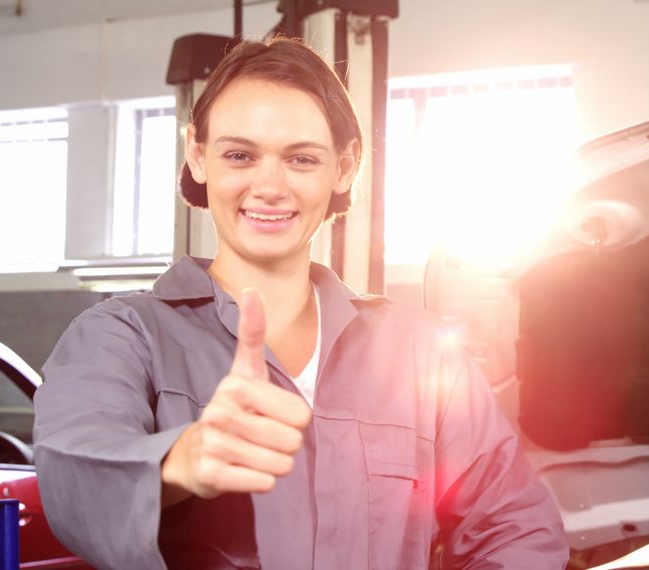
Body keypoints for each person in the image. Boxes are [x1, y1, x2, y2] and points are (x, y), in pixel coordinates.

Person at [33, 36, 569, 569]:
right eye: (240, 155)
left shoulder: (424, 354)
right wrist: (183, 460)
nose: (270, 186)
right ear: (198, 156)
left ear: (345, 166)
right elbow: (71, 476)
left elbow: (515, 527)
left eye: (301, 159)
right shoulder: (122, 336)